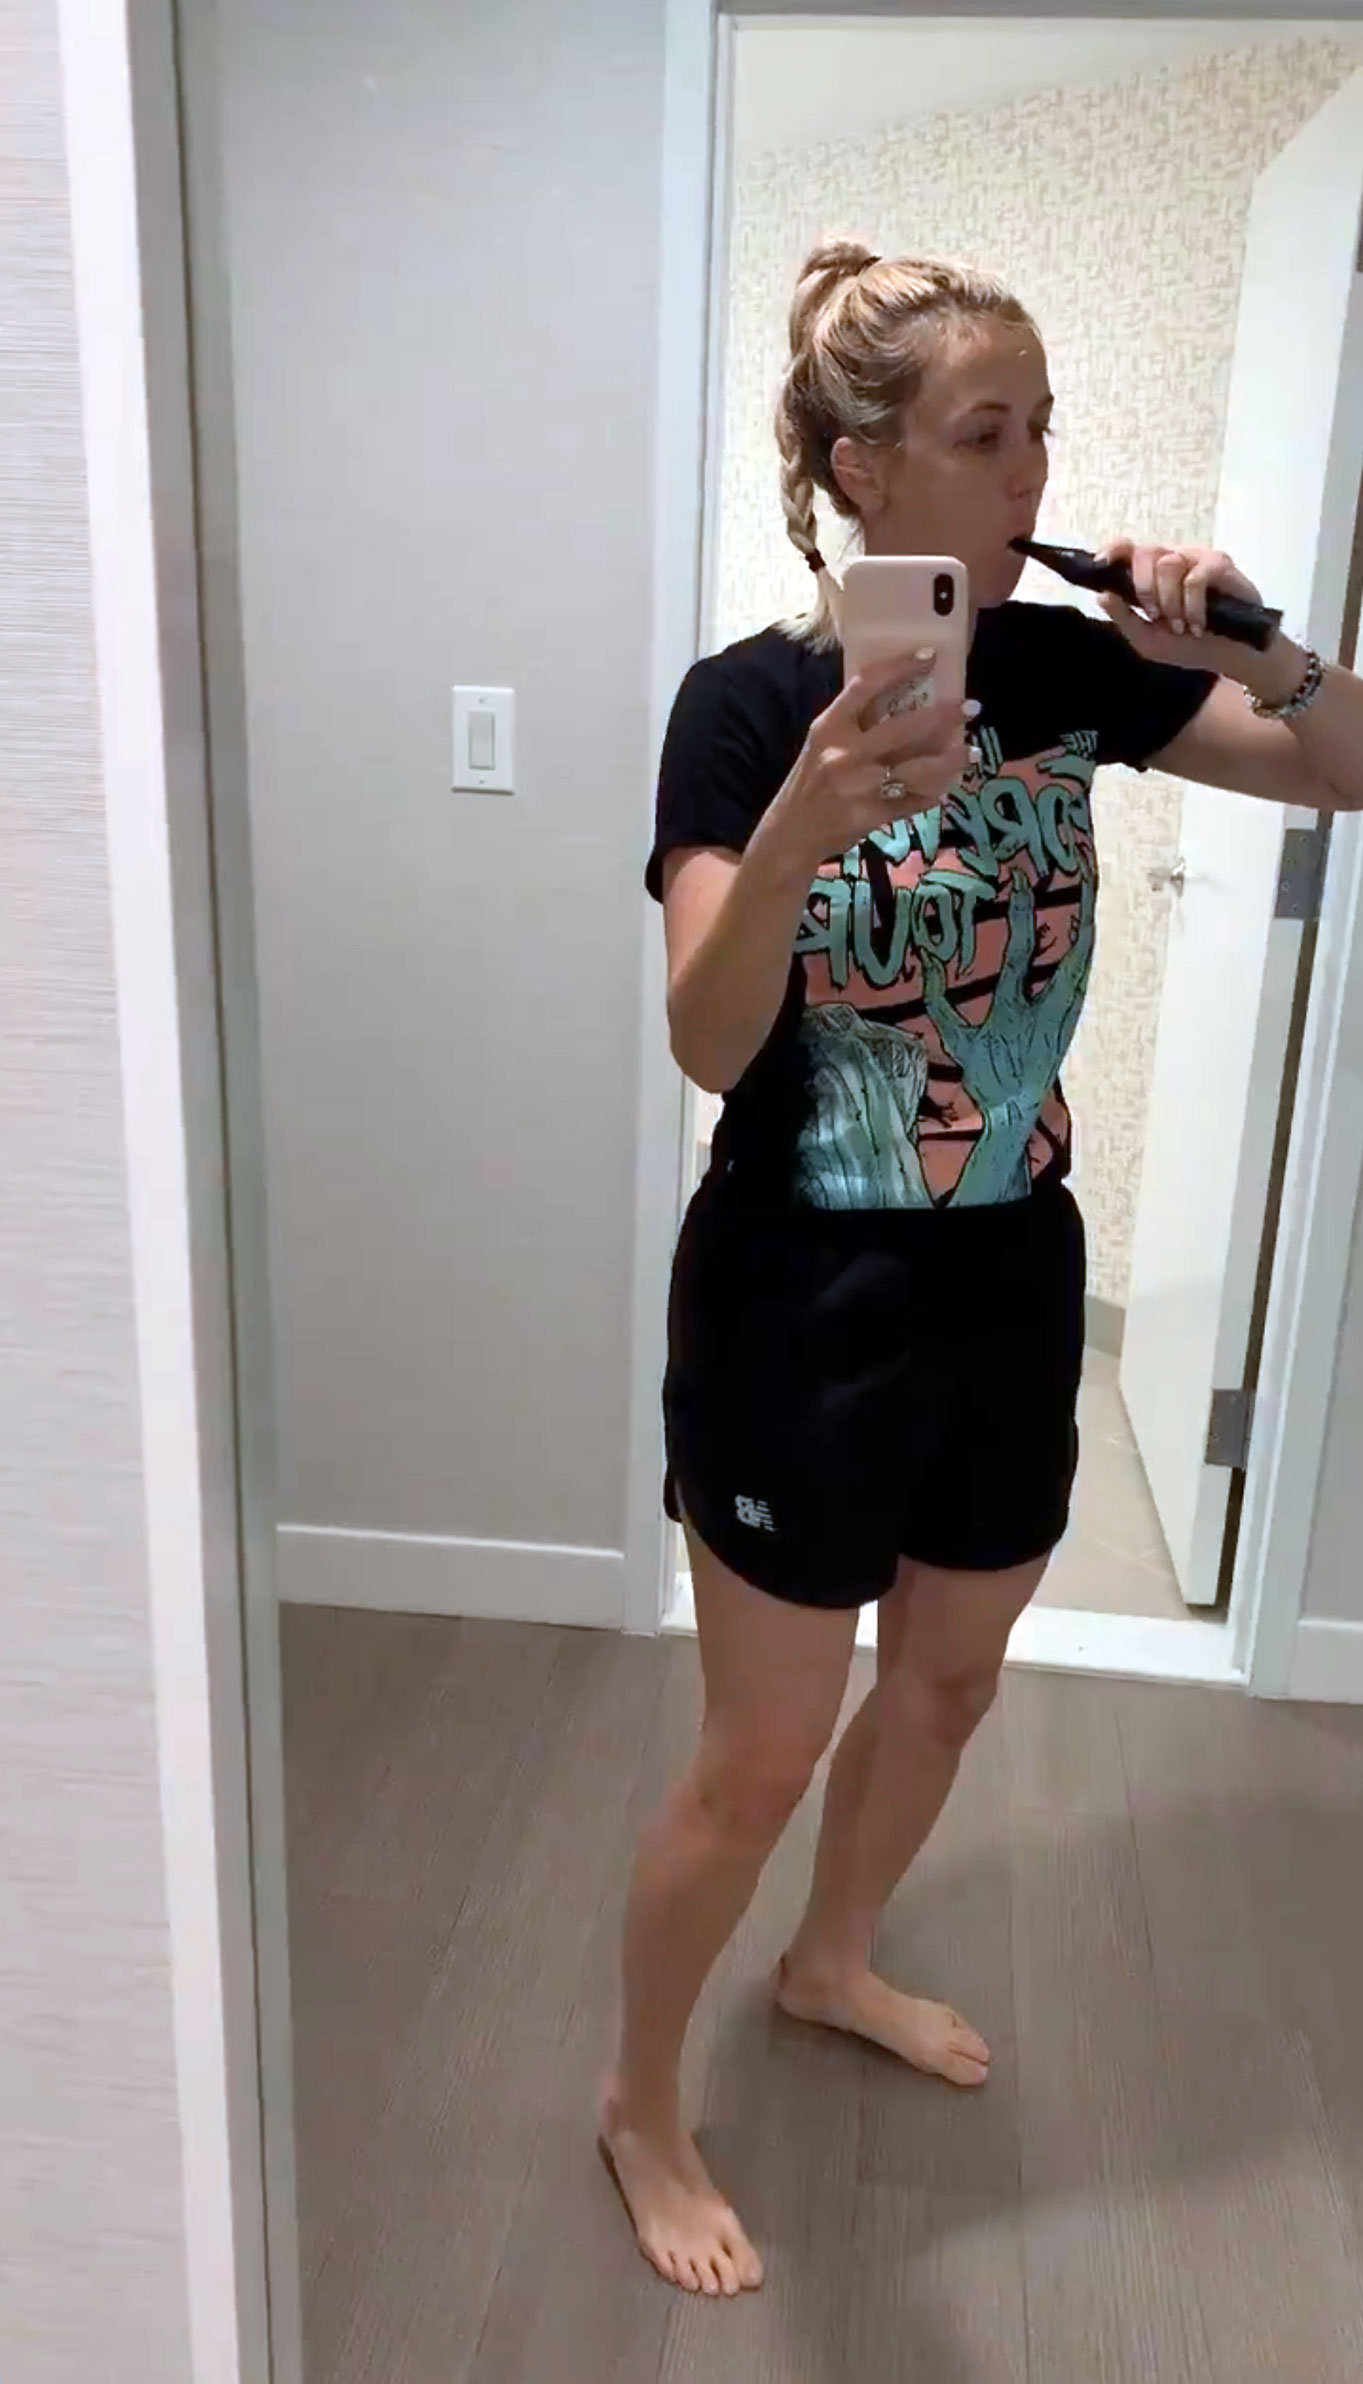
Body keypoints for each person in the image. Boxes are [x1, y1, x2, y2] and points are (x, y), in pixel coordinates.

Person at [600, 240, 1363, 2299]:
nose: (1032, 470)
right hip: (798, 1298)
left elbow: (1351, 765)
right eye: (983, 431)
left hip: (1014, 1273)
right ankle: (642, 2104)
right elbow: (705, 1039)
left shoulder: (1060, 666)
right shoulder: (745, 708)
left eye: (1039, 427)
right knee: (759, 1752)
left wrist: (1262, 649)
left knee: (945, 1683)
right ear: (862, 470)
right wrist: (805, 818)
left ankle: (832, 1958)